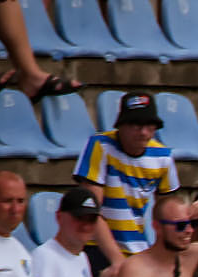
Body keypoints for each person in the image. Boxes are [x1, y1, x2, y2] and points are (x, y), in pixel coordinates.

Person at [75, 91, 179, 260]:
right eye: (136, 126)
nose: (144, 132)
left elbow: (168, 214)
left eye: (149, 126)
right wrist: (117, 260)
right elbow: (91, 209)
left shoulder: (163, 156)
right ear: (121, 125)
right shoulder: (100, 145)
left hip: (138, 248)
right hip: (96, 246)